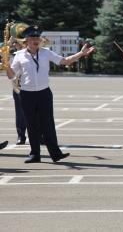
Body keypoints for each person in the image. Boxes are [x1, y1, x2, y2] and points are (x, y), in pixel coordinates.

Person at [5, 25, 94, 163]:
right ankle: (35, 154)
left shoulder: (46, 52)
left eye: (37, 38)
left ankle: (55, 153)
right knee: (31, 124)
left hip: (44, 93)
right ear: (26, 41)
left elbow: (65, 61)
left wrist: (81, 53)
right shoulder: (19, 56)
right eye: (33, 38)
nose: (36, 40)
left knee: (48, 123)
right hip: (26, 94)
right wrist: (6, 66)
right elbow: (12, 76)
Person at [8, 37, 27, 145]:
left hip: (32, 86)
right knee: (20, 113)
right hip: (18, 86)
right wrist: (9, 43)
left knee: (36, 113)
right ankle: (21, 136)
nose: (17, 44)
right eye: (16, 43)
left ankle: (39, 136)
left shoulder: (29, 53)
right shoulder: (12, 55)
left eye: (19, 42)